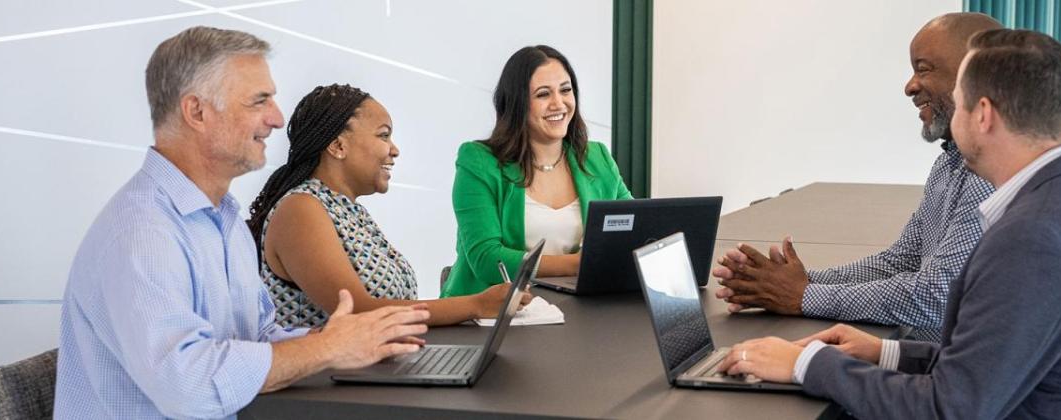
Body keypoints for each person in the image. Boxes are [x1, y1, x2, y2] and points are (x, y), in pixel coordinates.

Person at [716, 29, 1061, 418]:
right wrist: (886, 352)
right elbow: (994, 363)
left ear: (983, 114)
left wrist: (805, 364)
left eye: (962, 103)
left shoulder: (1034, 237)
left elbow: (949, 409)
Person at [55, 27, 430, 419]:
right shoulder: (142, 233)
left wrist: (339, 339)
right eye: (259, 101)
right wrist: (327, 350)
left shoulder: (224, 220)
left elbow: (256, 337)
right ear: (197, 111)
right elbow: (190, 387)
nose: (276, 118)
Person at [714, 13, 1001, 342]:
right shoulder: (948, 165)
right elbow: (898, 263)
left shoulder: (986, 176)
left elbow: (936, 298)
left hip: (936, 376)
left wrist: (803, 296)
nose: (910, 86)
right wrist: (798, 282)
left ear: (972, 76)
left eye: (922, 69)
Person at [247, 84, 531, 327]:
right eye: (383, 135)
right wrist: (476, 304)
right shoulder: (300, 210)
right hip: (328, 386)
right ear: (338, 146)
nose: (394, 149)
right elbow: (357, 312)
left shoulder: (347, 210)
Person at [441, 45, 632, 297]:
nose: (559, 103)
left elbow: (634, 229)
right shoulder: (478, 161)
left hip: (577, 313)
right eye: (543, 95)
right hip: (491, 316)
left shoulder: (597, 158)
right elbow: (487, 260)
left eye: (566, 90)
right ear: (517, 103)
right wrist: (578, 263)